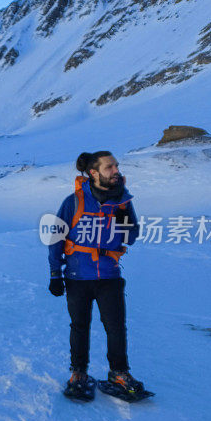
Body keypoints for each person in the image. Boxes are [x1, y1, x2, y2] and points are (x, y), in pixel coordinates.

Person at [48, 151, 146, 396]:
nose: (116, 171)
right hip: (77, 276)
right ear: (94, 172)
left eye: (117, 166)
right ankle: (78, 371)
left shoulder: (122, 201)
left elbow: (131, 238)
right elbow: (56, 238)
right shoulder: (74, 202)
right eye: (110, 167)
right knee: (79, 326)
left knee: (116, 328)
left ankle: (119, 373)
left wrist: (124, 218)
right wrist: (54, 274)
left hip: (110, 277)